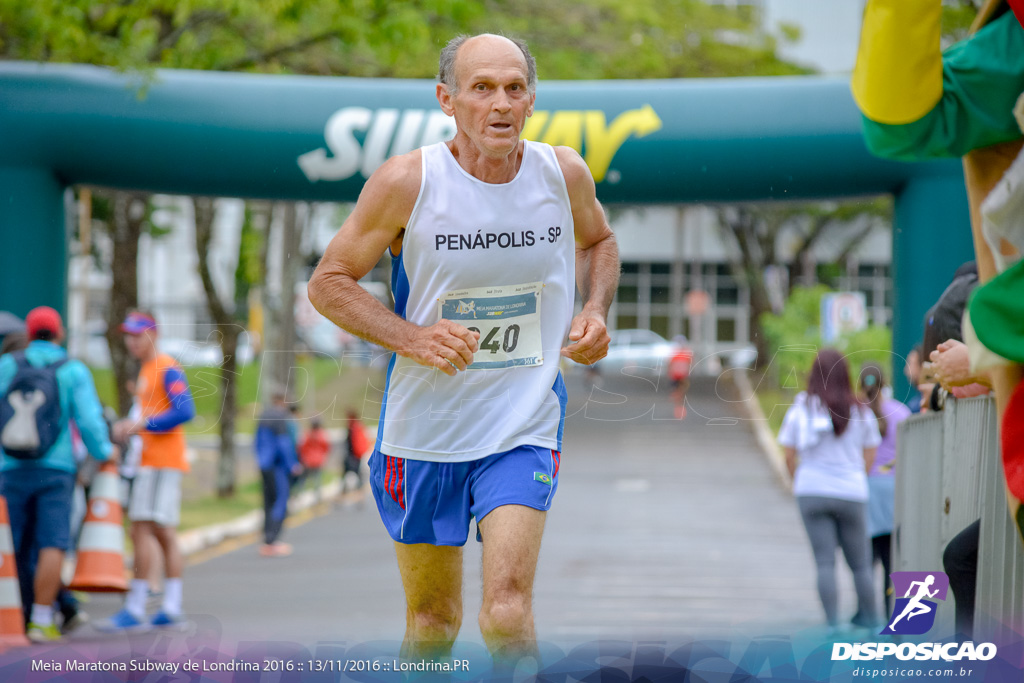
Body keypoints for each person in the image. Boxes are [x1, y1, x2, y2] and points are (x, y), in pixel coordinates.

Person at [307, 33, 619, 664]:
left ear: (531, 100)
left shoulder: (562, 173)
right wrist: (412, 338)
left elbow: (599, 240)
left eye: (514, 88)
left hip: (523, 424)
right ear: (448, 99)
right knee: (433, 623)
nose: (500, 104)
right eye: (482, 89)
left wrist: (594, 310)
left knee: (506, 613)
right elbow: (328, 284)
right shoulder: (407, 182)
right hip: (424, 432)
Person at [0, 306, 118, 642]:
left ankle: (16, 615)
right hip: (56, 468)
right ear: (59, 332)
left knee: (15, 543)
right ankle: (41, 619)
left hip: (11, 468)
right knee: (52, 542)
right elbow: (90, 423)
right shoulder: (73, 370)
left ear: (28, 332)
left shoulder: (7, 366)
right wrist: (106, 453)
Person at [100, 311, 195, 631]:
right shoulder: (149, 368)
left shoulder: (166, 367)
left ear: (155, 334)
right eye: (128, 335)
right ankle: (165, 604)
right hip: (151, 461)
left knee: (148, 529)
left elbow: (186, 410)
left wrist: (144, 425)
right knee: (153, 530)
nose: (132, 341)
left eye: (138, 335)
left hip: (160, 461)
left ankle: (143, 606)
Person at [778, 349, 882, 632]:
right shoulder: (861, 410)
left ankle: (833, 625)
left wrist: (798, 480)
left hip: (811, 489)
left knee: (825, 562)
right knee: (860, 564)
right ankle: (872, 623)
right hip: (851, 491)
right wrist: (857, 475)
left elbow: (788, 453)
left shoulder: (802, 408)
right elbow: (871, 450)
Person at [859, 363, 912, 617]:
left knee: (865, 560)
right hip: (893, 492)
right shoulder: (899, 412)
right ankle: (892, 614)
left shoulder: (856, 413)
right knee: (892, 560)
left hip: (865, 491)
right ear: (885, 382)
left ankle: (865, 612)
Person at [255, 392, 302, 557]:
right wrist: (292, 464)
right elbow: (284, 443)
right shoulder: (281, 416)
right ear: (283, 401)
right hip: (278, 467)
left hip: (264, 465)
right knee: (280, 502)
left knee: (268, 502)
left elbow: (257, 442)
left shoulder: (263, 415)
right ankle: (272, 541)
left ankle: (267, 539)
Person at [297, 417, 330, 503]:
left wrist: (303, 458)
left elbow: (302, 447)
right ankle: (317, 497)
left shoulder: (308, 434)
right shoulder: (322, 434)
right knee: (317, 479)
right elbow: (326, 447)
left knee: (303, 479)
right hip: (318, 460)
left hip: (308, 460)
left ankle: (300, 494)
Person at [341, 409, 370, 496]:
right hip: (354, 455)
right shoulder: (356, 426)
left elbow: (357, 443)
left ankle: (358, 493)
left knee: (356, 474)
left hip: (354, 455)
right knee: (355, 474)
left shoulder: (354, 427)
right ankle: (357, 492)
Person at [668, 335, 693, 419]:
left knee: (681, 392)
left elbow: (689, 363)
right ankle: (678, 408)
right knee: (678, 392)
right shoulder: (676, 353)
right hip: (677, 375)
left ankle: (680, 409)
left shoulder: (685, 353)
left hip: (682, 375)